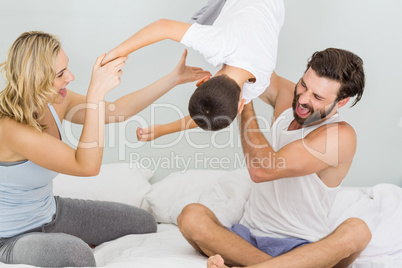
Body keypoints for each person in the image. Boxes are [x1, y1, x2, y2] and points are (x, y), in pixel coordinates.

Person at [0, 31, 210, 267]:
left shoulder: (54, 100)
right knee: (77, 255)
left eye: (66, 68)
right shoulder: (11, 128)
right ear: (35, 79)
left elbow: (118, 110)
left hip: (51, 214)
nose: (70, 77)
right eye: (60, 74)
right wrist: (95, 94)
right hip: (10, 238)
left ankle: (55, 241)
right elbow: (87, 166)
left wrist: (174, 78)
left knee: (144, 223)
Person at [177, 48, 372, 268]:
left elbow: (262, 170)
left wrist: (245, 105)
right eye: (304, 85)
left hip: (301, 248)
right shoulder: (288, 96)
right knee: (191, 216)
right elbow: (250, 68)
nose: (303, 99)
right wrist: (230, 75)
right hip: (246, 240)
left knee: (357, 230)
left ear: (342, 102)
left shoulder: (340, 136)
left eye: (317, 97)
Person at [101, 0, 285, 140]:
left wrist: (165, 129)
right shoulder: (219, 45)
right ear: (203, 81)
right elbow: (163, 26)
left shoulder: (260, 80)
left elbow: (213, 113)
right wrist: (116, 53)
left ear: (239, 106)